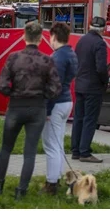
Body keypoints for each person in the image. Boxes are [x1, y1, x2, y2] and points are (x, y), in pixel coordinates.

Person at [0, 21, 61, 200]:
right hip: (37, 108)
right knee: (29, 152)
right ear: (41, 38)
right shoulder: (47, 60)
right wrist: (44, 96)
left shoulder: (14, 58)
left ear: (24, 36)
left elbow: (0, 83)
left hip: (16, 106)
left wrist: (12, 93)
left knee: (6, 147)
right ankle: (21, 191)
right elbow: (56, 87)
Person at [42, 22, 78, 195]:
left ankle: (51, 183)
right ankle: (57, 178)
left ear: (54, 37)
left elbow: (53, 86)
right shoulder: (71, 53)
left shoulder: (57, 57)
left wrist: (47, 110)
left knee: (51, 145)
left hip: (56, 104)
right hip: (67, 101)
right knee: (58, 144)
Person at [71, 16, 109, 163]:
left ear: (89, 26)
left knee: (78, 118)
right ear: (103, 29)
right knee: (90, 119)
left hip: (80, 84)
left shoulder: (82, 40)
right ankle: (85, 152)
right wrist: (105, 82)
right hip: (93, 87)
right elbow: (101, 67)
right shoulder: (100, 43)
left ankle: (75, 150)